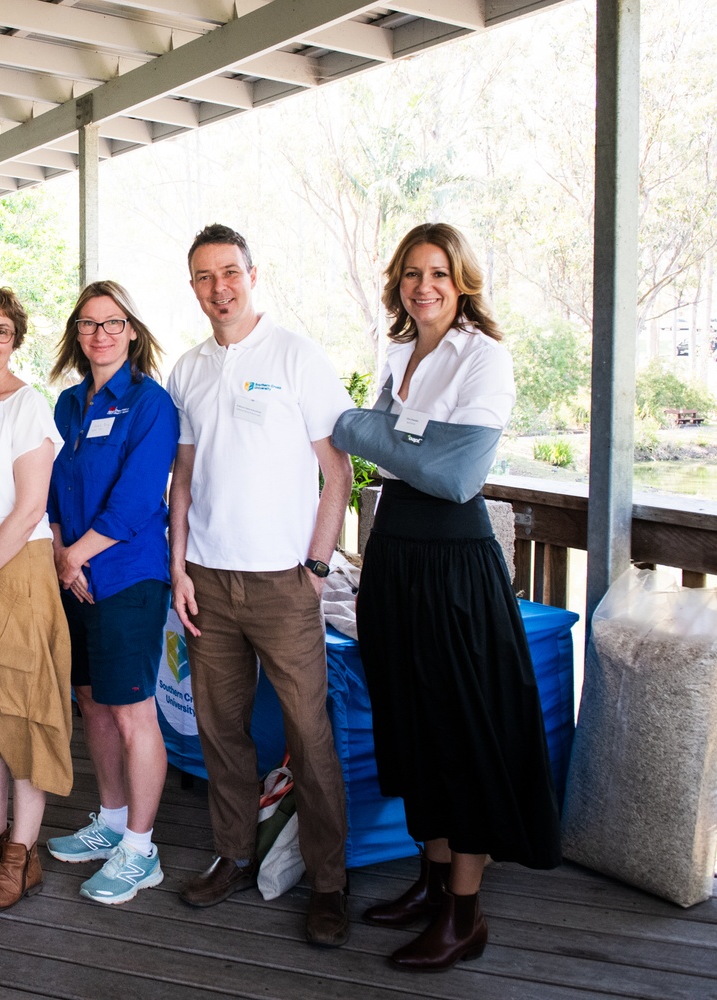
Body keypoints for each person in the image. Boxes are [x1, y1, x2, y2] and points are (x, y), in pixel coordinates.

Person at [343, 223, 561, 972]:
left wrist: (363, 428)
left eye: (438, 272)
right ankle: (432, 882)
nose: (423, 286)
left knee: (461, 729)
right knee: (412, 722)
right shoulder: (401, 352)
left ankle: (465, 913)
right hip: (395, 548)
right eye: (411, 272)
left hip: (452, 557)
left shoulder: (485, 357)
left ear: (462, 280)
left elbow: (456, 474)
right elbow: (399, 452)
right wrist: (391, 438)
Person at [167, 224, 353, 947]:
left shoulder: (298, 355)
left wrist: (315, 566)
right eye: (205, 277)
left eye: (230, 273)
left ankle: (330, 883)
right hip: (209, 580)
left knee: (309, 735)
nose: (220, 288)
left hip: (284, 583)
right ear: (193, 287)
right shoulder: (187, 369)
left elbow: (336, 473)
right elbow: (184, 478)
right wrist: (180, 567)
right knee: (221, 732)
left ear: (252, 274)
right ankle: (234, 856)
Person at [45, 281, 179, 905]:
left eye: (113, 323)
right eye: (89, 324)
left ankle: (141, 850)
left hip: (127, 577)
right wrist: (60, 554)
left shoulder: (151, 404)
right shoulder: (70, 405)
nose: (101, 334)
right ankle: (113, 820)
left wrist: (77, 555)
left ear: (131, 331)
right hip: (74, 577)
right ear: (78, 334)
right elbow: (54, 492)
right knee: (93, 704)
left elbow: (135, 500)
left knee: (132, 713)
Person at [0, 287, 72, 913]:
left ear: (16, 340)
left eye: (0, 331)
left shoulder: (28, 407)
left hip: (11, 569)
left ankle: (22, 855)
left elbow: (31, 506)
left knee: (23, 711)